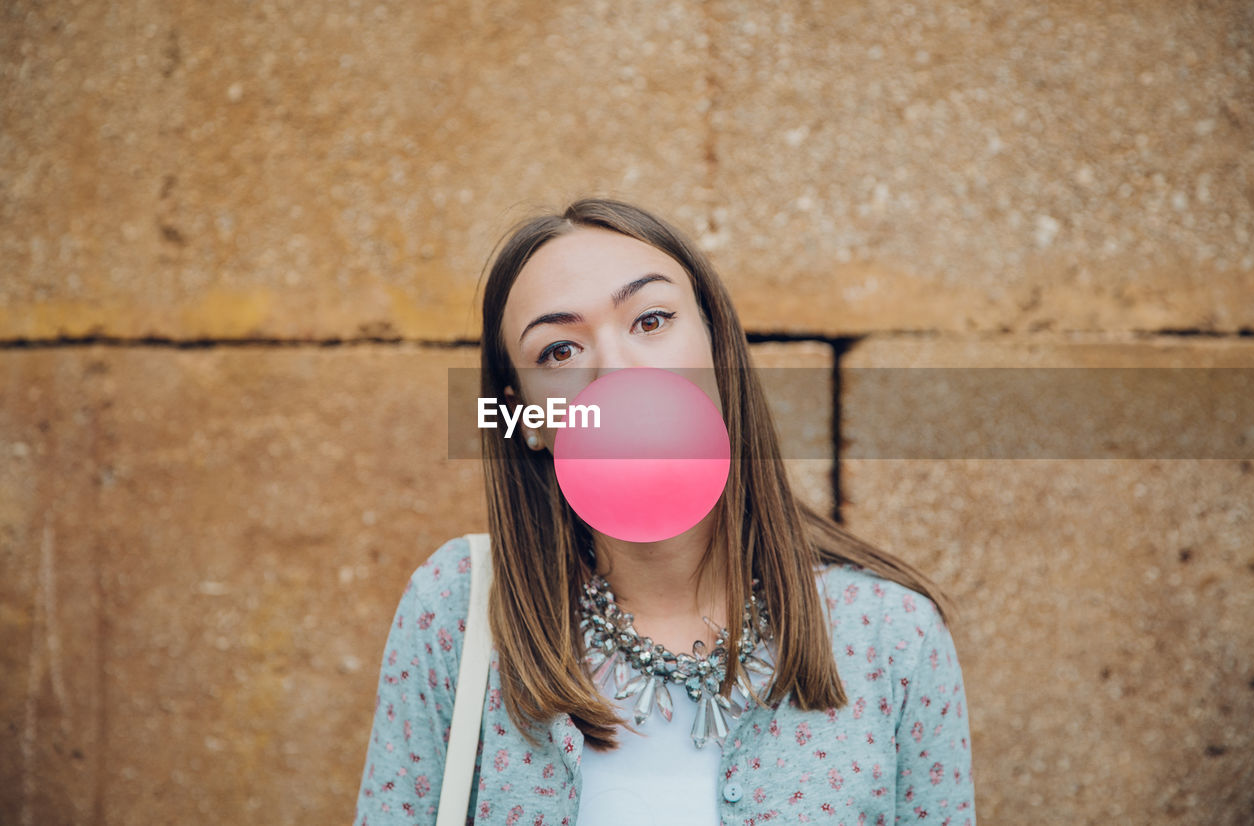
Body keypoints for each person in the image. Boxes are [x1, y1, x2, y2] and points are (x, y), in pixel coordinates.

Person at [353, 198, 976, 825]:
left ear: (716, 344)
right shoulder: (456, 610)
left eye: (651, 320)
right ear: (529, 419)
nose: (617, 369)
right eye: (558, 352)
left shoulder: (892, 635)